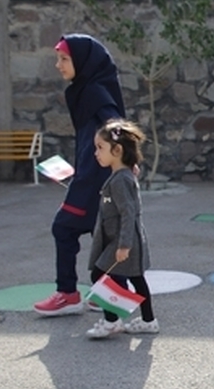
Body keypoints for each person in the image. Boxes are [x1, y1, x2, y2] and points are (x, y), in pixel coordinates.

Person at [34, 34, 126, 316]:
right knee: (104, 234)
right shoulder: (87, 89)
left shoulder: (94, 93)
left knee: (64, 228)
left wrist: (122, 159)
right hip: (91, 176)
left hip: (93, 182)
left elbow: (115, 127)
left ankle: (69, 294)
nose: (58, 65)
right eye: (58, 58)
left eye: (64, 59)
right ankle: (107, 294)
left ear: (83, 62)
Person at [85, 119, 158, 338]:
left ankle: (111, 321)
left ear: (117, 150)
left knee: (100, 273)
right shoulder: (122, 176)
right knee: (136, 279)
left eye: (100, 148)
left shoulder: (120, 180)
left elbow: (128, 212)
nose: (96, 153)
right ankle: (148, 321)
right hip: (124, 238)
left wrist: (124, 245)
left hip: (124, 240)